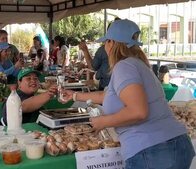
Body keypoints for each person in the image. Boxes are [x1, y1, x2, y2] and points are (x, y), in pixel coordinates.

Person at [62, 19, 195, 169]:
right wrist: (74, 95)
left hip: (152, 150)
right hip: (173, 144)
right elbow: (108, 96)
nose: (105, 46)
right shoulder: (137, 64)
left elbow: (138, 112)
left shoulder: (124, 67)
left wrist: (102, 122)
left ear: (111, 43)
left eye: (106, 42)